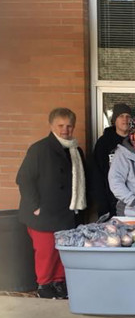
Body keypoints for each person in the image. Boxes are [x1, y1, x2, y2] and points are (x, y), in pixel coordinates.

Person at [16, 108, 87, 299]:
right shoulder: (39, 149)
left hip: (67, 212)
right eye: (61, 125)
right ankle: (44, 285)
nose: (65, 130)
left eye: (69, 126)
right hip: (44, 213)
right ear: (52, 126)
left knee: (61, 250)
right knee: (46, 252)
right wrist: (35, 207)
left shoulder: (76, 150)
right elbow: (24, 179)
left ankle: (58, 282)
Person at [90, 103, 131, 217]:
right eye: (121, 116)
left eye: (128, 116)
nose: (125, 119)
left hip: (133, 202)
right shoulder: (104, 142)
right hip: (109, 201)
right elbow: (97, 174)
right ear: (114, 120)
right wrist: (102, 203)